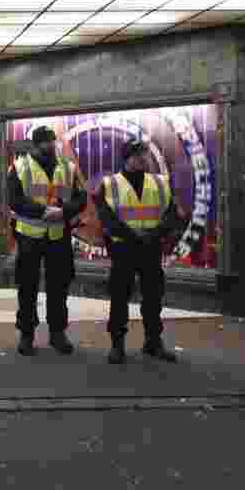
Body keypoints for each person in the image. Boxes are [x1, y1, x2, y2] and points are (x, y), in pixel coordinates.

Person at [93, 139, 187, 364]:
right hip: (124, 248)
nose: (143, 159)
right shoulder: (110, 184)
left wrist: (154, 234)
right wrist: (134, 236)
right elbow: (106, 219)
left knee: (153, 297)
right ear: (126, 158)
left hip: (150, 248)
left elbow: (173, 214)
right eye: (137, 155)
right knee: (119, 298)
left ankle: (153, 342)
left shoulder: (160, 182)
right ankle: (117, 345)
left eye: (144, 155)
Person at [7, 125, 87, 356]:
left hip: (58, 235)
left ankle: (57, 333)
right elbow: (14, 200)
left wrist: (64, 212)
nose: (50, 145)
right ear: (35, 144)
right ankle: (27, 335)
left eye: (52, 140)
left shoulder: (68, 167)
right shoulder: (20, 167)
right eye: (44, 141)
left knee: (59, 287)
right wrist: (43, 211)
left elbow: (81, 198)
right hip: (29, 236)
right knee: (27, 287)